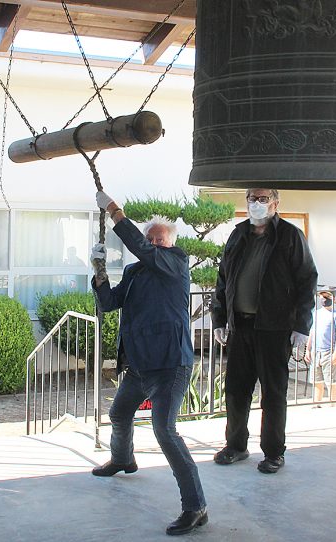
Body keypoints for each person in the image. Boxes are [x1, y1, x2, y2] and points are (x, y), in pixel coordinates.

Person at [90, 190, 207, 536]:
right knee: (119, 414)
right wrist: (99, 273)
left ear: (169, 245)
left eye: (160, 240)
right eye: (150, 238)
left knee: (164, 431)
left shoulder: (177, 263)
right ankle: (123, 458)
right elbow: (110, 303)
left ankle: (196, 506)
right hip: (140, 364)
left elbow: (141, 247)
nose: (153, 244)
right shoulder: (135, 270)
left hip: (171, 365)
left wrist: (114, 211)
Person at [212, 188, 317, 474]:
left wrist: (302, 327)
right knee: (235, 390)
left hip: (275, 328)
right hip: (240, 326)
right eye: (251, 199)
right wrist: (219, 319)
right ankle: (235, 446)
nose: (256, 204)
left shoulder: (290, 236)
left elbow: (307, 281)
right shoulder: (237, 234)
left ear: (275, 204)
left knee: (273, 393)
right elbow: (223, 280)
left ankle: (273, 452)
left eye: (262, 199)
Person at [305, 291, 336, 405]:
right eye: (322, 297)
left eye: (327, 297)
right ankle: (317, 403)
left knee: (330, 381)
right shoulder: (316, 313)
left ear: (333, 299)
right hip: (316, 351)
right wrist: (308, 349)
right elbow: (312, 331)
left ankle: (333, 403)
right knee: (317, 381)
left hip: (328, 351)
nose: (324, 299)